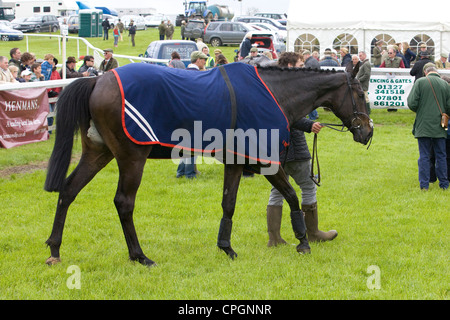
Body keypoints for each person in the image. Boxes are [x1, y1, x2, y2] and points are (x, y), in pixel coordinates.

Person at [266, 51, 337, 247]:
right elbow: (288, 114)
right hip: (292, 147)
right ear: (289, 66)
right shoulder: (287, 87)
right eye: (300, 64)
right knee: (308, 186)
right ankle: (312, 233)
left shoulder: (270, 84)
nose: (303, 68)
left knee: (277, 189)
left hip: (273, 147)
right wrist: (309, 125)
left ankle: (274, 238)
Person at [407, 65, 450, 190]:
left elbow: (412, 103)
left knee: (424, 156)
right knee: (441, 155)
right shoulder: (445, 84)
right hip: (440, 126)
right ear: (436, 72)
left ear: (425, 72)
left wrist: (422, 110)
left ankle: (424, 185)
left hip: (423, 125)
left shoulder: (420, 82)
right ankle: (444, 184)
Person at [176, 51, 208, 179]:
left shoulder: (183, 72)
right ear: (198, 60)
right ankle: (190, 173)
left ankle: (181, 171)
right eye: (204, 60)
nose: (205, 62)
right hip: (194, 112)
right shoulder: (197, 75)